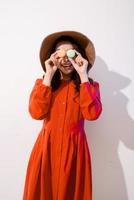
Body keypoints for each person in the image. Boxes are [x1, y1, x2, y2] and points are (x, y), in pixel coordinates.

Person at [22, 30, 103, 200]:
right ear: (53, 57)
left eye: (71, 54)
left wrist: (83, 75)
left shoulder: (89, 86)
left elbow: (92, 114)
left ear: (79, 56)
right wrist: (48, 75)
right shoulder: (43, 84)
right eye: (60, 54)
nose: (66, 60)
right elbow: (36, 113)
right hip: (46, 150)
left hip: (75, 153)